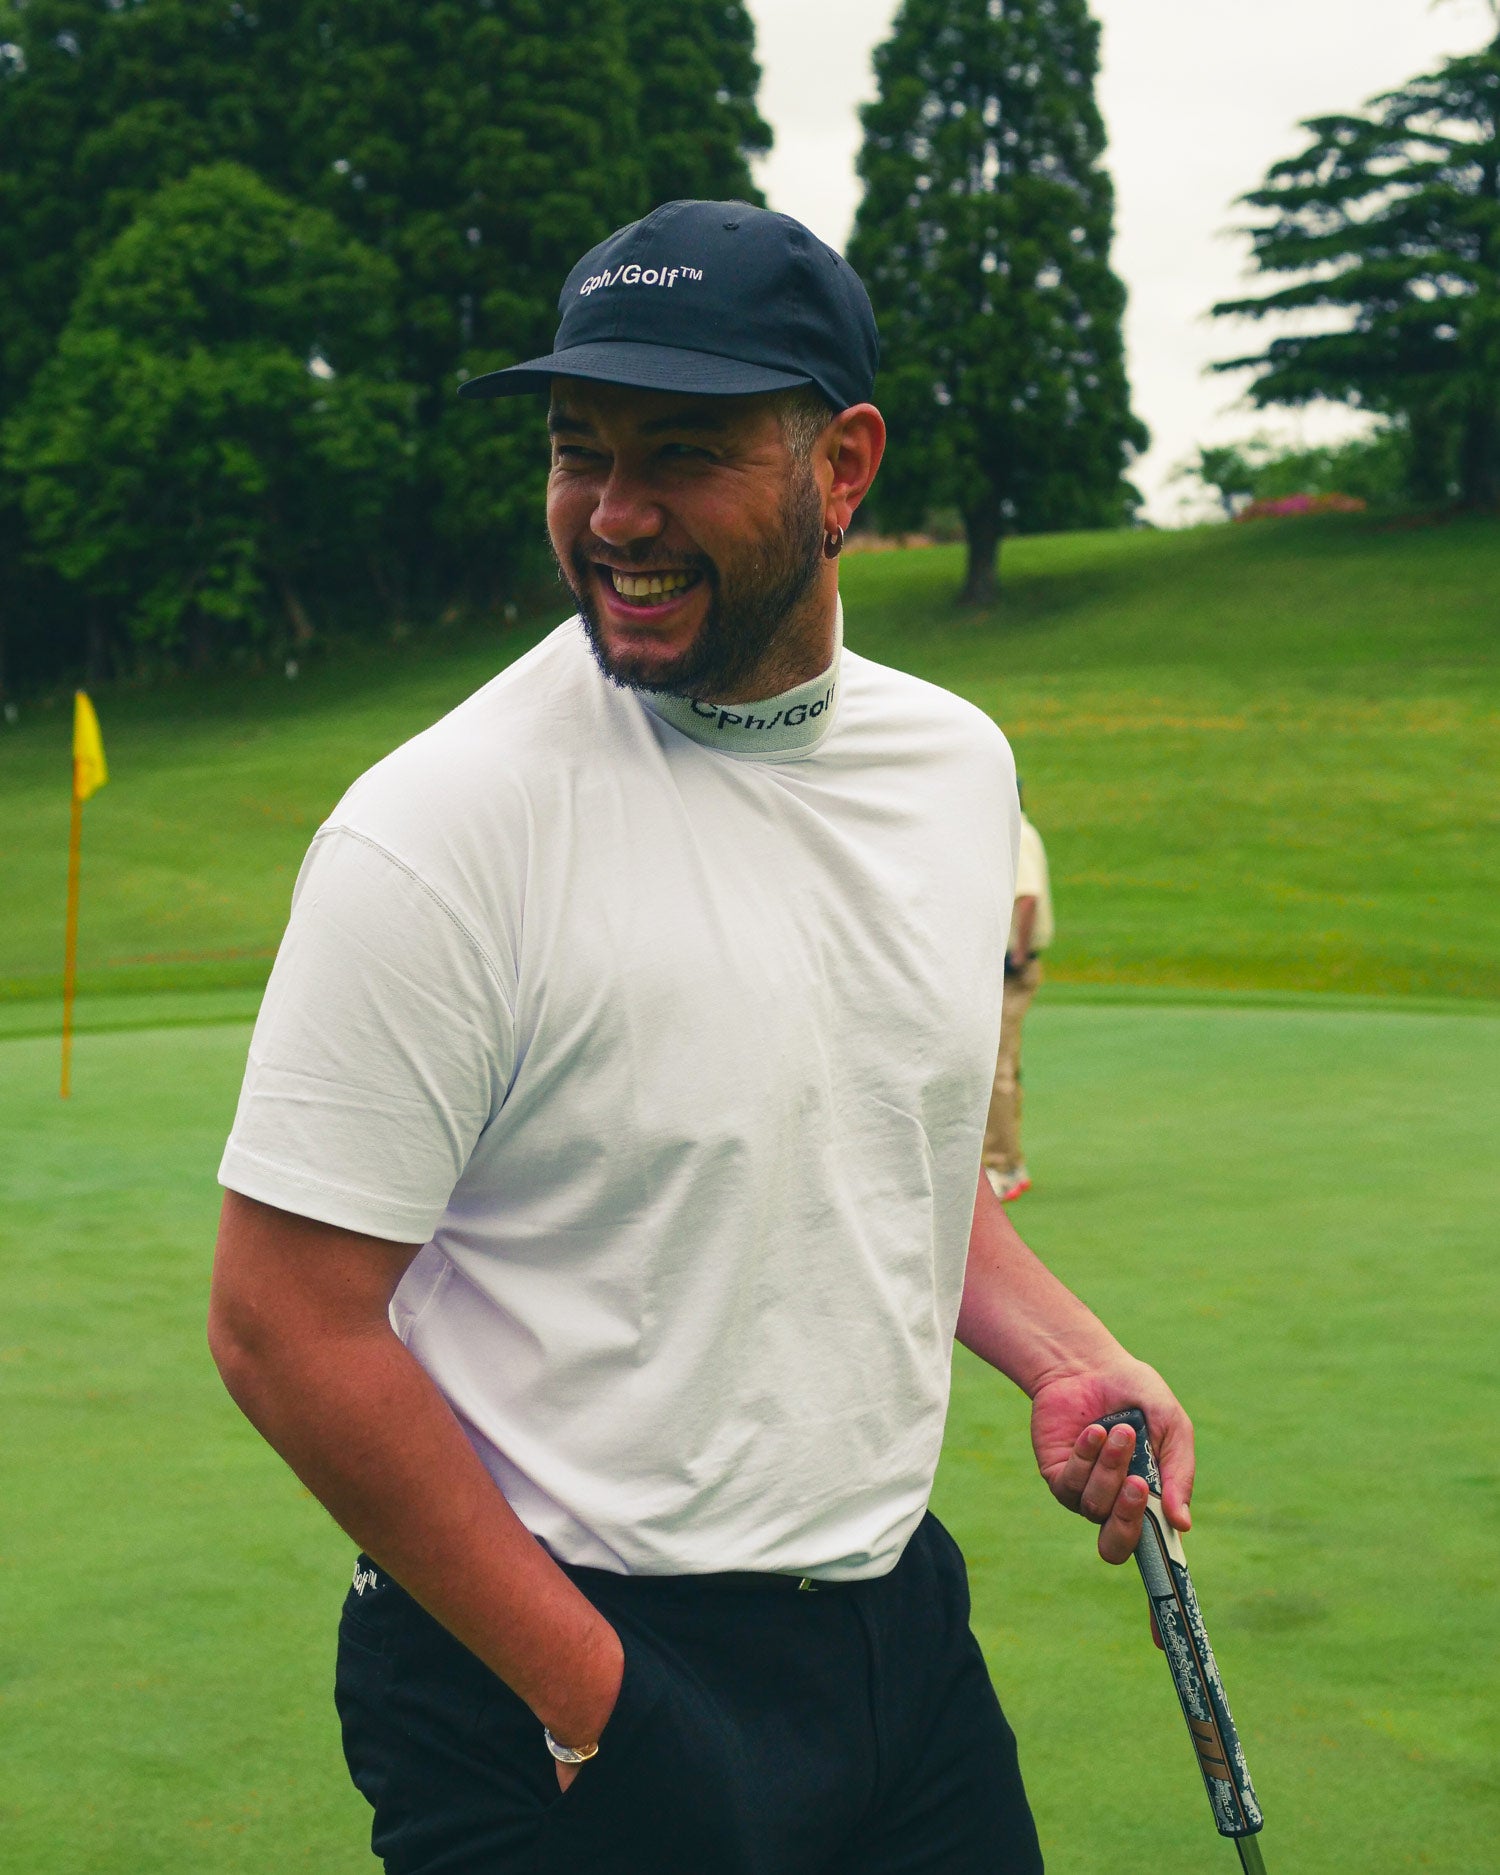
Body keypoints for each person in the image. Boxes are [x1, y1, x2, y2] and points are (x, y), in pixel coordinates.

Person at [207, 200, 1194, 1875]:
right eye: (578, 448)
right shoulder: (444, 829)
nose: (614, 513)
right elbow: (283, 1325)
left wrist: (1068, 1354)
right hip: (554, 1684)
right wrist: (599, 1700)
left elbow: (890, 1140)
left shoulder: (955, 768)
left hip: (895, 1641)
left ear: (844, 468)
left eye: (684, 451)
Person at [982, 789, 1053, 1202]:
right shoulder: (1020, 831)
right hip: (1010, 963)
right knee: (1004, 1063)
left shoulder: (1018, 834)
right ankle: (1007, 1159)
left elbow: (1026, 899)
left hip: (1012, 966)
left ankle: (1002, 1165)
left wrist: (1016, 955)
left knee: (996, 1066)